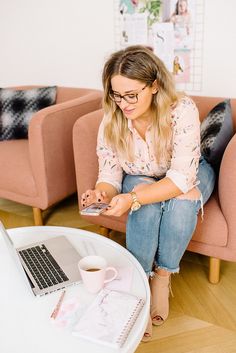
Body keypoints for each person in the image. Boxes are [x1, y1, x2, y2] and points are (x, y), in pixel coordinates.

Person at [81, 45, 215, 342]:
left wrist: (134, 198)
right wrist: (101, 194)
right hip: (141, 174)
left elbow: (181, 179)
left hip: (190, 172)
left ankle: (161, 279)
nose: (123, 104)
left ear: (154, 85)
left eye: (132, 95)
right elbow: (110, 174)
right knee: (145, 199)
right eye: (116, 95)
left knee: (181, 200)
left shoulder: (182, 110)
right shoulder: (112, 119)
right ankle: (137, 282)